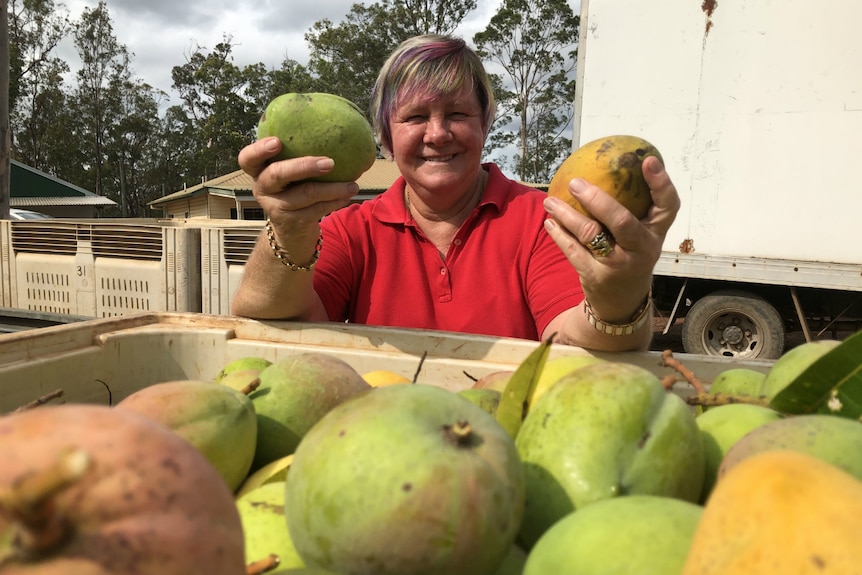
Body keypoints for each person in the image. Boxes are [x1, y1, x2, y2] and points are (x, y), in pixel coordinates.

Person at [231, 34, 680, 352]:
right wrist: (288, 229)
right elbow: (272, 326)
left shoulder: (539, 218)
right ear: (386, 136)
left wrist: (619, 295)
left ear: (486, 123)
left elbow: (572, 340)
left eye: (458, 112)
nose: (438, 133)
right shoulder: (350, 230)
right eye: (414, 118)